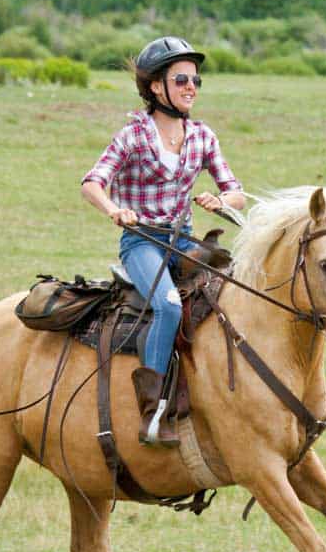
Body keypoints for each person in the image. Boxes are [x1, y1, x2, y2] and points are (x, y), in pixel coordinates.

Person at [81, 36, 245, 447]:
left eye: (196, 80)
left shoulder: (203, 137)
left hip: (184, 241)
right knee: (169, 307)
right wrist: (114, 210)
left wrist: (220, 200)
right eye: (182, 79)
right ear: (157, 87)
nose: (192, 87)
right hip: (142, 243)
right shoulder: (132, 135)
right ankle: (152, 415)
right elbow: (92, 183)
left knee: (234, 295)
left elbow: (236, 191)